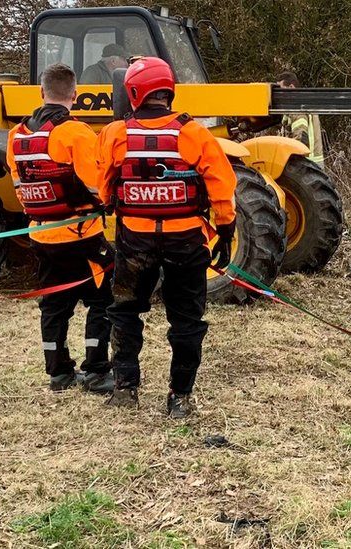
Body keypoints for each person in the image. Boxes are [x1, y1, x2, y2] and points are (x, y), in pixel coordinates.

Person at [96, 57, 237, 418]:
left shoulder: (115, 133)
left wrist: (113, 201)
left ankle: (126, 389)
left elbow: (104, 186)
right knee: (187, 320)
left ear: (133, 92)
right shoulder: (194, 133)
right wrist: (225, 229)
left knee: (125, 312)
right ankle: (180, 398)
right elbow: (222, 186)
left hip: (134, 244)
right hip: (186, 243)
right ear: (168, 91)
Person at [6, 63, 115, 393]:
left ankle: (58, 373)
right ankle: (96, 370)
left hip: (40, 235)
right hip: (80, 235)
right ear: (75, 95)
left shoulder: (17, 135)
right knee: (103, 300)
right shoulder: (76, 132)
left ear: (41, 93)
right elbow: (97, 187)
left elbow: (19, 186)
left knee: (53, 305)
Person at [276, 71, 325, 168]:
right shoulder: (303, 104)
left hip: (306, 165)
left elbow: (300, 140)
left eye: (280, 90)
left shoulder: (297, 109)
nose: (278, 94)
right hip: (312, 164)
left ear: (291, 88)